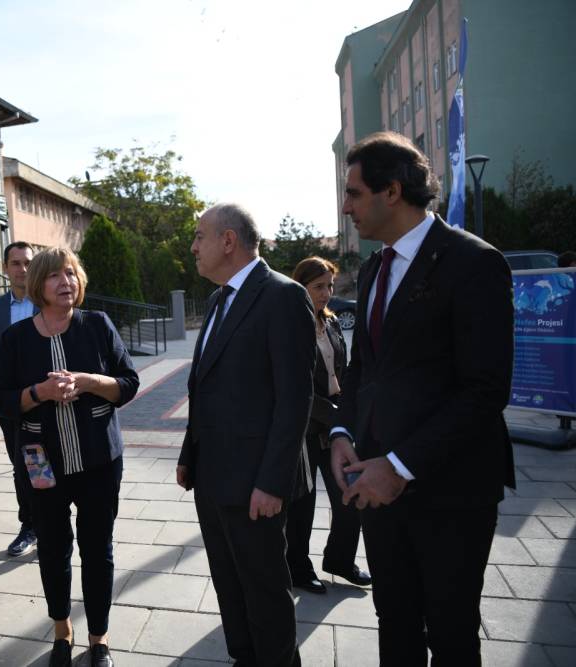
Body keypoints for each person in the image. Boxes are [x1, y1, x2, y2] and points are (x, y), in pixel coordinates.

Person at [331, 131, 515, 665]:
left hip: (452, 491)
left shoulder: (473, 262)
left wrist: (400, 465)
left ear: (392, 192)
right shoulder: (372, 270)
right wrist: (344, 433)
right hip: (378, 491)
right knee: (397, 622)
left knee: (452, 633)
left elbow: (485, 390)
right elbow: (364, 369)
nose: (346, 207)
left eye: (354, 193)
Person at [177, 203, 315, 667]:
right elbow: (204, 385)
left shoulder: (283, 296)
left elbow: (295, 399)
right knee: (230, 587)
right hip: (214, 479)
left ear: (228, 241)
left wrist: (272, 482)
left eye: (199, 236)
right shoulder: (218, 299)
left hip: (257, 484)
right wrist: (187, 454)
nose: (193, 246)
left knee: (265, 593)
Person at [0, 247, 139, 667]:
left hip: (98, 463)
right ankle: (62, 630)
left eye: (71, 273)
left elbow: (127, 384)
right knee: (54, 552)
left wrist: (92, 381)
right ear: (38, 283)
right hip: (42, 465)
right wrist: (39, 392)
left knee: (98, 551)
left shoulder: (97, 325)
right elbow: (2, 400)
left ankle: (99, 638)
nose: (66, 282)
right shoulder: (15, 338)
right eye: (55, 275)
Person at [285, 257, 370, 595]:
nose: (327, 293)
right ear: (301, 286)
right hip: (306, 427)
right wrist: (335, 414)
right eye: (319, 286)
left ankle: (339, 560)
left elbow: (345, 370)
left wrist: (348, 411)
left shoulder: (332, 323)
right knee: (302, 507)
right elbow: (296, 386)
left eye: (330, 286)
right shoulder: (291, 326)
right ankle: (298, 569)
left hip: (335, 426)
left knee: (350, 498)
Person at [0, 240, 39, 557]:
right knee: (21, 466)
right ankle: (28, 526)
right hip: (11, 405)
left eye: (28, 262)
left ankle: (50, 523)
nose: (23, 269)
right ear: (6, 268)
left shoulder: (46, 302)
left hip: (46, 403)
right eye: (16, 263)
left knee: (44, 463)